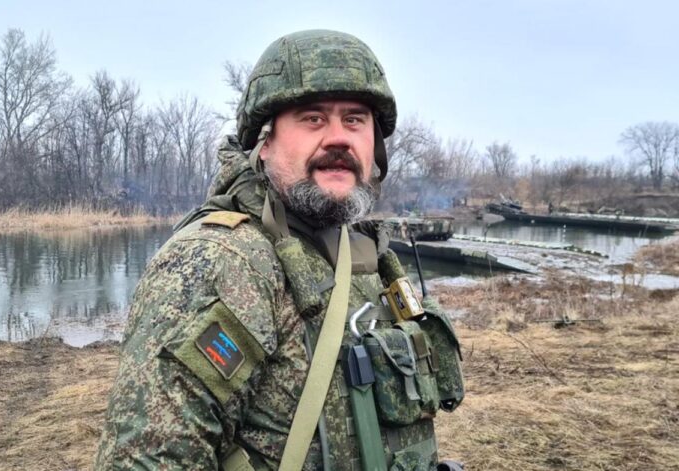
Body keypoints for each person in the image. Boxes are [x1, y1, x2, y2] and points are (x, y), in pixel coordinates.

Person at [95, 29, 464, 471]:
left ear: (375, 145)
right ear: (265, 142)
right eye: (313, 119)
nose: (338, 139)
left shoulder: (363, 254)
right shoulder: (221, 262)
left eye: (354, 120)